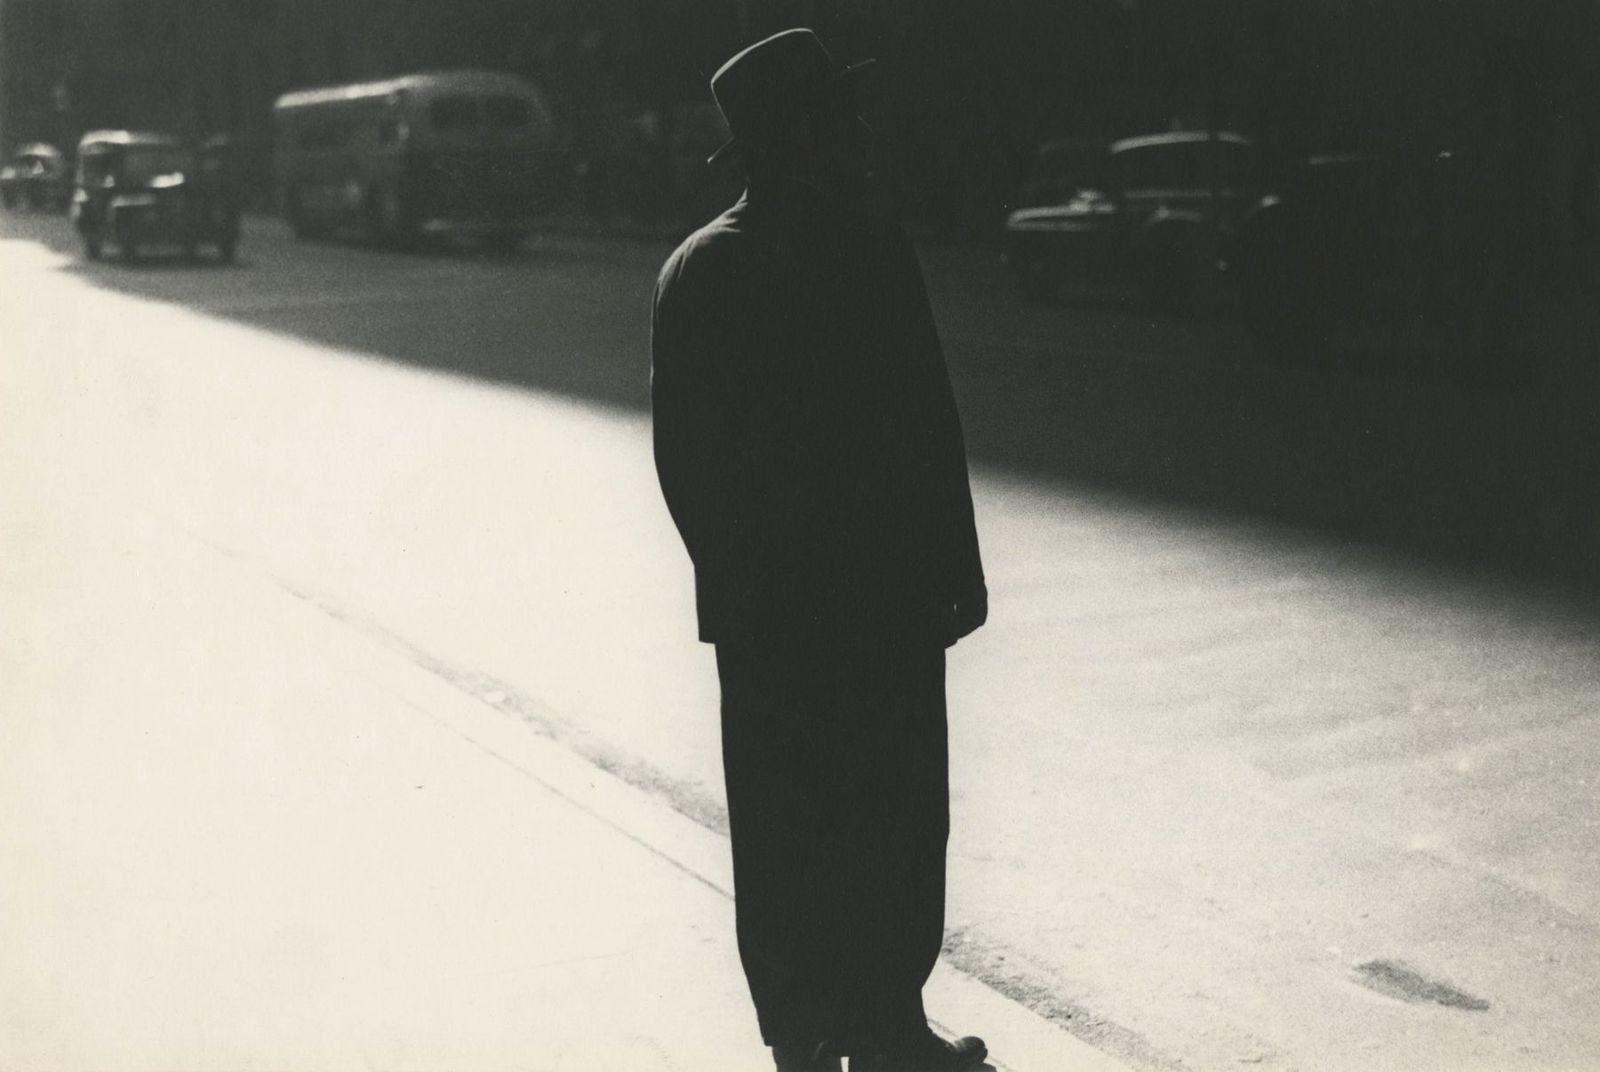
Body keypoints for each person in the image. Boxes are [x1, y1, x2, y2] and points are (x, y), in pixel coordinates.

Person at [650, 28, 989, 1072]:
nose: (860, 136)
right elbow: (928, 422)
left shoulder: (701, 269)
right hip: (880, 601)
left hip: (772, 615)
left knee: (786, 818)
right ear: (811, 135)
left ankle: (805, 1035)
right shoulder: (866, 244)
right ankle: (887, 1021)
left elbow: (683, 463)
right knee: (891, 807)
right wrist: (954, 570)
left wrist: (738, 581)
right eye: (841, 120)